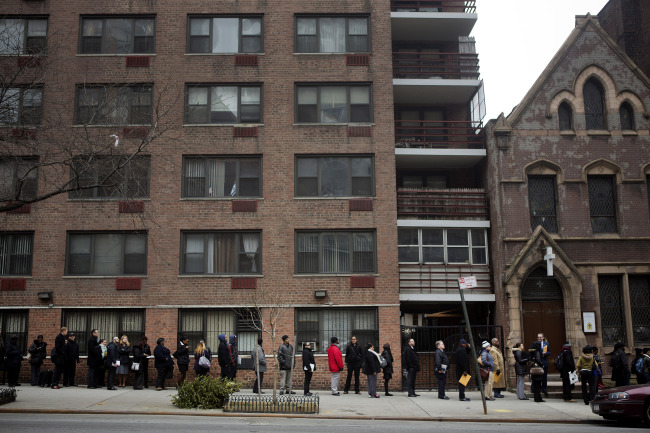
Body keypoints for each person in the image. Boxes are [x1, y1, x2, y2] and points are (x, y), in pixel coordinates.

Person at [537, 333, 550, 397]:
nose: (539, 338)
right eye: (538, 337)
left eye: (540, 337)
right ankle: (536, 388)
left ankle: (544, 389)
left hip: (544, 362)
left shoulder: (546, 344)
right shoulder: (535, 344)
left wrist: (546, 353)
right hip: (537, 363)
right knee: (537, 377)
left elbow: (549, 352)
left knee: (544, 377)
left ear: (543, 338)